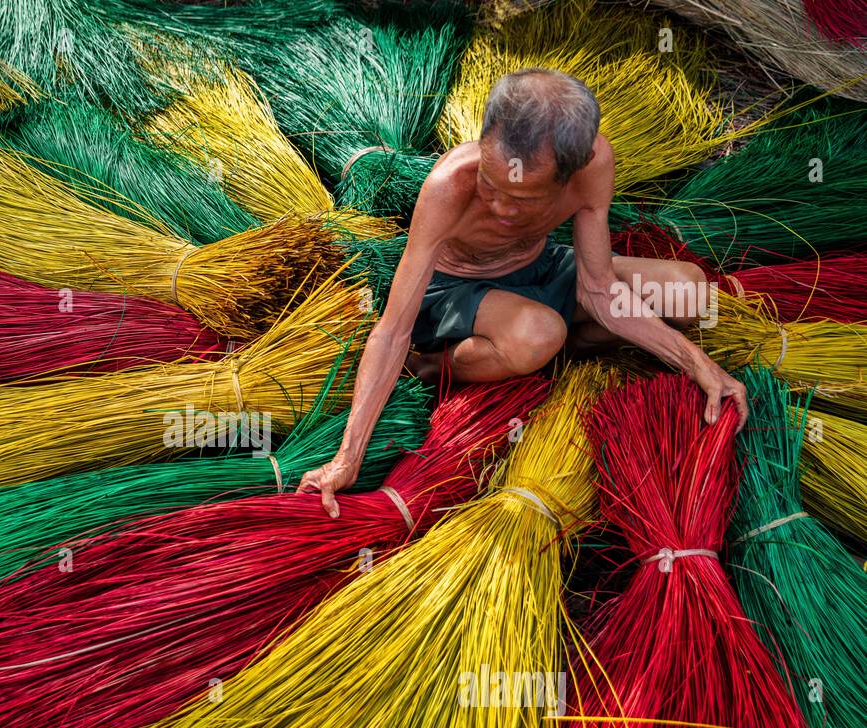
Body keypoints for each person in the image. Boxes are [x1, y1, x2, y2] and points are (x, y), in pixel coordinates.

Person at [298, 68, 748, 517]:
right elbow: (393, 329)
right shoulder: (449, 185)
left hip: (543, 269)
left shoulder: (593, 166)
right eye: (490, 186)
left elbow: (597, 287)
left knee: (689, 293)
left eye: (523, 199)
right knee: (538, 333)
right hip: (456, 293)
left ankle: (553, 345)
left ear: (573, 167)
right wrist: (346, 460)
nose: (499, 206)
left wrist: (698, 365)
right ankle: (435, 365)